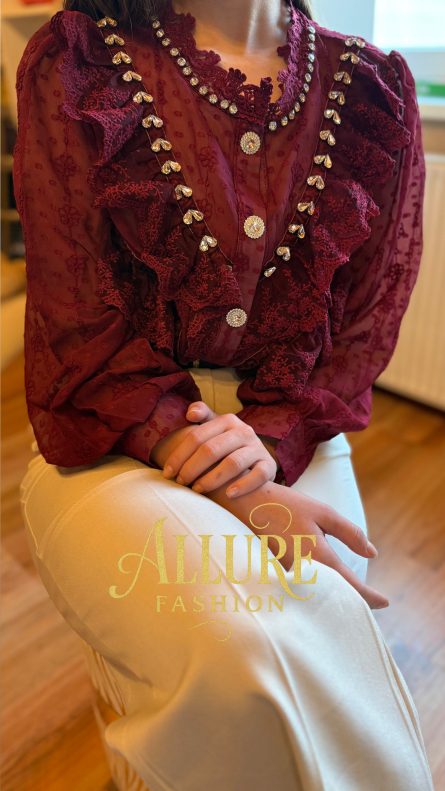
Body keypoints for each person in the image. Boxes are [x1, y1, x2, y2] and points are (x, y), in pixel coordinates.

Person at [15, 0, 434, 788]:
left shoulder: (372, 85)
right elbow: (78, 323)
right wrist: (240, 483)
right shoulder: (78, 59)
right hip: (116, 425)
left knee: (331, 634)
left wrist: (271, 436)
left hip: (292, 426)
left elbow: (363, 323)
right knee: (237, 652)